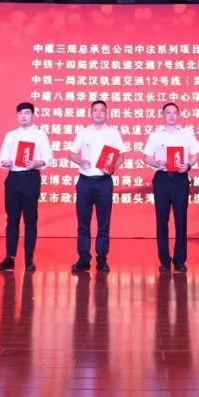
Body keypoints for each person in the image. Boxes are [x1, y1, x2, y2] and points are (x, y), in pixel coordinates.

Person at [142, 102, 199, 272]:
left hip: (180, 179)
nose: (171, 116)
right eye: (168, 113)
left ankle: (180, 260)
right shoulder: (155, 135)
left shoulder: (187, 134)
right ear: (163, 115)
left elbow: (195, 155)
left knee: (181, 220)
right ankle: (164, 260)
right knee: (162, 220)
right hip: (162, 179)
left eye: (174, 112)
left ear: (178, 115)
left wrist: (188, 165)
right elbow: (146, 157)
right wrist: (156, 163)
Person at [0, 101, 52, 273]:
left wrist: (36, 162)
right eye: (20, 113)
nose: (23, 116)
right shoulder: (10, 135)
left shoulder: (40, 135)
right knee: (12, 220)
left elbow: (48, 157)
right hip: (13, 178)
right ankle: (10, 258)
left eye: (27, 113)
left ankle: (29, 259)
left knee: (30, 219)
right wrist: (5, 162)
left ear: (33, 115)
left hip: (31, 178)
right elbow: (2, 157)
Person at [69, 100, 124, 273]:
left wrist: (113, 168)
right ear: (91, 113)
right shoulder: (83, 132)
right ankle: (83, 259)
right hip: (85, 182)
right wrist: (79, 160)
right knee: (83, 223)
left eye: (102, 110)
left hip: (104, 182)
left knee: (103, 224)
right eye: (95, 110)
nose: (98, 113)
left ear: (106, 113)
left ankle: (101, 259)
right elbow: (71, 153)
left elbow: (121, 155)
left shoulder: (113, 133)